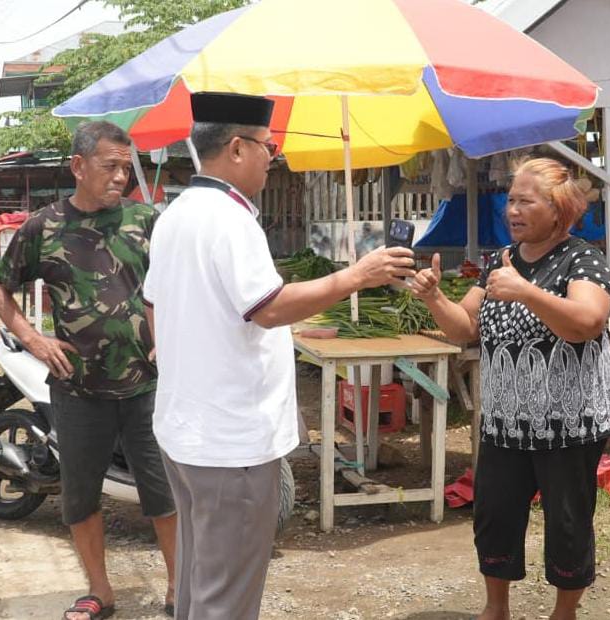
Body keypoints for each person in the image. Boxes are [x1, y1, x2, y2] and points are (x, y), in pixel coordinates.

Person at [142, 92, 416, 620]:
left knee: (202, 579)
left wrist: (180, 356)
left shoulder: (176, 213)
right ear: (238, 149)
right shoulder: (228, 218)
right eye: (269, 147)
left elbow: (154, 302)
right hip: (229, 443)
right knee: (227, 597)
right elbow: (267, 307)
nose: (275, 158)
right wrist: (356, 275)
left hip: (186, 428)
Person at [410, 157, 610, 620]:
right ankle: (496, 608)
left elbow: (587, 322)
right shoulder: (497, 263)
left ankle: (564, 613)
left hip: (568, 423)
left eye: (526, 201)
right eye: (511, 201)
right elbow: (465, 328)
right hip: (505, 421)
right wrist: (434, 298)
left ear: (559, 208)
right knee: (495, 517)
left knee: (567, 522)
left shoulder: (582, 259)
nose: (513, 210)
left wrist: (527, 292)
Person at [0, 121, 176, 620]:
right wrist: (33, 339)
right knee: (80, 494)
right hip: (78, 389)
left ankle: (182, 589)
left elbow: (177, 286)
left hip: (148, 386)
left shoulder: (146, 220)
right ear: (78, 166)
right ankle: (100, 591)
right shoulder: (44, 228)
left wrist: (171, 340)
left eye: (125, 167)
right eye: (110, 166)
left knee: (164, 491)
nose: (121, 177)